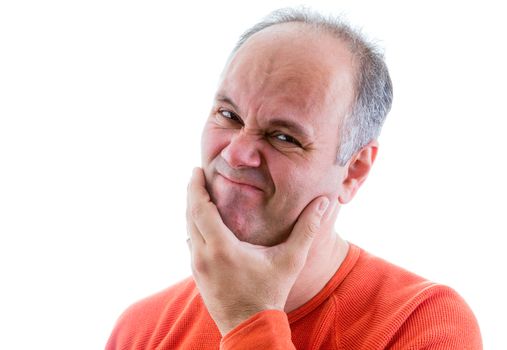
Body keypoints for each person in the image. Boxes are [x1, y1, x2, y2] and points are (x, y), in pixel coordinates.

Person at [106, 7, 482, 349]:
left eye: (283, 137)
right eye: (228, 115)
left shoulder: (424, 324)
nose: (236, 153)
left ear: (354, 170)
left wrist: (249, 321)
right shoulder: (141, 331)